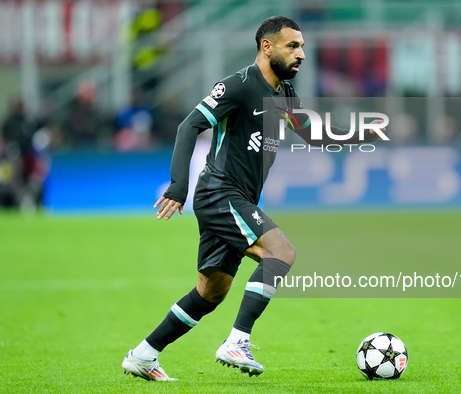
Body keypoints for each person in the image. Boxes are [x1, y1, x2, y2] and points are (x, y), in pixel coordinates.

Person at [122, 16, 386, 381]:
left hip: (238, 197)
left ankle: (143, 355)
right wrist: (178, 187)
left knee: (211, 292)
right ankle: (237, 341)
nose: (302, 55)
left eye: (303, 47)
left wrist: (363, 133)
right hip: (220, 191)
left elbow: (314, 135)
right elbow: (189, 126)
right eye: (293, 46)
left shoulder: (285, 95)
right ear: (267, 47)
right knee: (282, 252)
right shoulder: (239, 86)